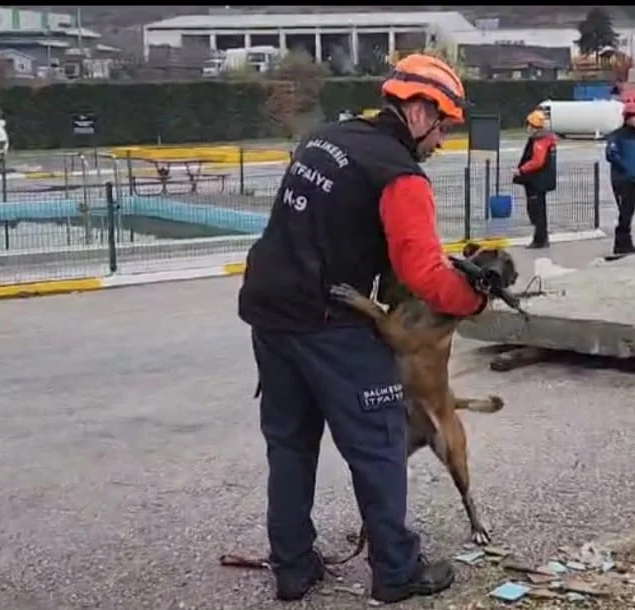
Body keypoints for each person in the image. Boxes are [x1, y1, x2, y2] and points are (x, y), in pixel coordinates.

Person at [237, 53, 487, 605]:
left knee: (291, 444)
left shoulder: (326, 138)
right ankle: (397, 572)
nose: (442, 141)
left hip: (269, 312)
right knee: (379, 445)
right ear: (419, 111)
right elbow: (423, 272)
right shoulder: (399, 175)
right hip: (328, 324)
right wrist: (472, 296)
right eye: (443, 126)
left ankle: (294, 567)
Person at [604, 102, 635, 254]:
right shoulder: (617, 135)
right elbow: (611, 155)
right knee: (625, 212)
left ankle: (626, 241)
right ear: (626, 118)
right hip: (622, 180)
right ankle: (620, 243)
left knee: (629, 211)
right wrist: (626, 169)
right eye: (634, 117)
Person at [514, 110, 558, 249]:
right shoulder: (547, 140)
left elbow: (537, 162)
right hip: (542, 181)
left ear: (533, 126)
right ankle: (542, 238)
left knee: (536, 212)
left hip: (536, 181)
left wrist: (521, 170)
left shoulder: (540, 142)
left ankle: (540, 240)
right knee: (539, 211)